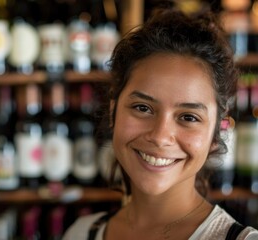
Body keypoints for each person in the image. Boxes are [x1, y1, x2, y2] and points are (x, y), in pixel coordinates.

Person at [63, 7, 258, 240]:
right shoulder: (81, 233)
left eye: (188, 117)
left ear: (216, 134)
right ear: (114, 112)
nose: (160, 136)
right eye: (142, 108)